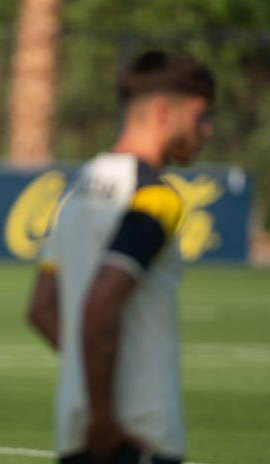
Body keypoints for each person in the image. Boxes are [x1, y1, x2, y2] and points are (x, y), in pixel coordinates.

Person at [27, 50, 215, 464]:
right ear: (164, 112)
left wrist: (89, 387)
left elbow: (41, 309)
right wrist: (105, 417)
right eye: (201, 116)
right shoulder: (155, 197)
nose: (207, 130)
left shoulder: (78, 189)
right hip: (136, 435)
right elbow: (100, 305)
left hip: (75, 431)